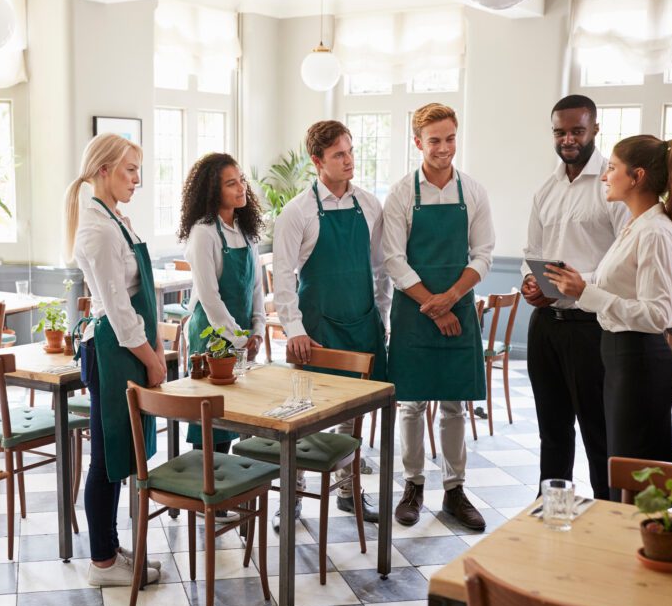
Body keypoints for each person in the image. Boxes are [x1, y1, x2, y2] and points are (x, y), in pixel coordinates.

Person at [546, 135, 672, 474]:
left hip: (639, 362)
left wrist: (586, 293)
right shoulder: (635, 226)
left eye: (611, 168)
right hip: (621, 358)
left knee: (635, 479)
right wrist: (568, 280)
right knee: (624, 471)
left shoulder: (654, 232)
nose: (603, 176)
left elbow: (656, 315)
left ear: (637, 176)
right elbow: (605, 279)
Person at [272, 119, 391, 530]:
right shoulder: (298, 212)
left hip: (361, 324)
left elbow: (381, 270)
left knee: (353, 415)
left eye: (351, 151)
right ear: (317, 161)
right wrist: (294, 330)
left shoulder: (370, 205)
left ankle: (347, 487)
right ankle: (294, 493)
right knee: (306, 411)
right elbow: (283, 276)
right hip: (317, 329)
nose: (349, 161)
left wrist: (383, 317)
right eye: (339, 154)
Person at [383, 103, 493, 530]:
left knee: (453, 406)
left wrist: (450, 298)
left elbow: (483, 256)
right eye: (434, 140)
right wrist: (432, 305)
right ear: (418, 143)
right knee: (410, 405)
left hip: (458, 306)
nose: (444, 148)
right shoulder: (401, 194)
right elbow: (393, 259)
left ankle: (454, 490)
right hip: (414, 313)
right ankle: (412, 486)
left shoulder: (474, 192)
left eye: (450, 138)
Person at [65, 133, 163, 586]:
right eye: (129, 170)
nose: (136, 179)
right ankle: (102, 562)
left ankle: (110, 545)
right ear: (104, 170)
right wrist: (153, 358)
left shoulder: (114, 220)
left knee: (122, 450)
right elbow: (120, 312)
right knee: (106, 458)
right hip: (113, 351)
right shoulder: (98, 229)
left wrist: (154, 350)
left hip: (128, 349)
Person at [521, 95, 630, 500]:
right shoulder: (545, 189)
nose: (568, 139)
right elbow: (531, 251)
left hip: (591, 326)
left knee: (598, 432)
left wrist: (569, 285)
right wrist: (531, 286)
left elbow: (622, 261)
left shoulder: (612, 185)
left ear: (595, 130)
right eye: (560, 131)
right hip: (545, 325)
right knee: (552, 430)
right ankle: (550, 508)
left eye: (577, 130)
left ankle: (608, 513)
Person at [179, 152, 266, 522]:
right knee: (208, 418)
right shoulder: (203, 233)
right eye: (231, 183)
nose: (241, 188)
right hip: (211, 338)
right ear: (213, 191)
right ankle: (206, 499)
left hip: (243, 335)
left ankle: (224, 490)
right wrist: (237, 339)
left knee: (233, 416)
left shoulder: (245, 231)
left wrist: (259, 329)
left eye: (241, 180)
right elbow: (210, 297)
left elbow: (257, 287)